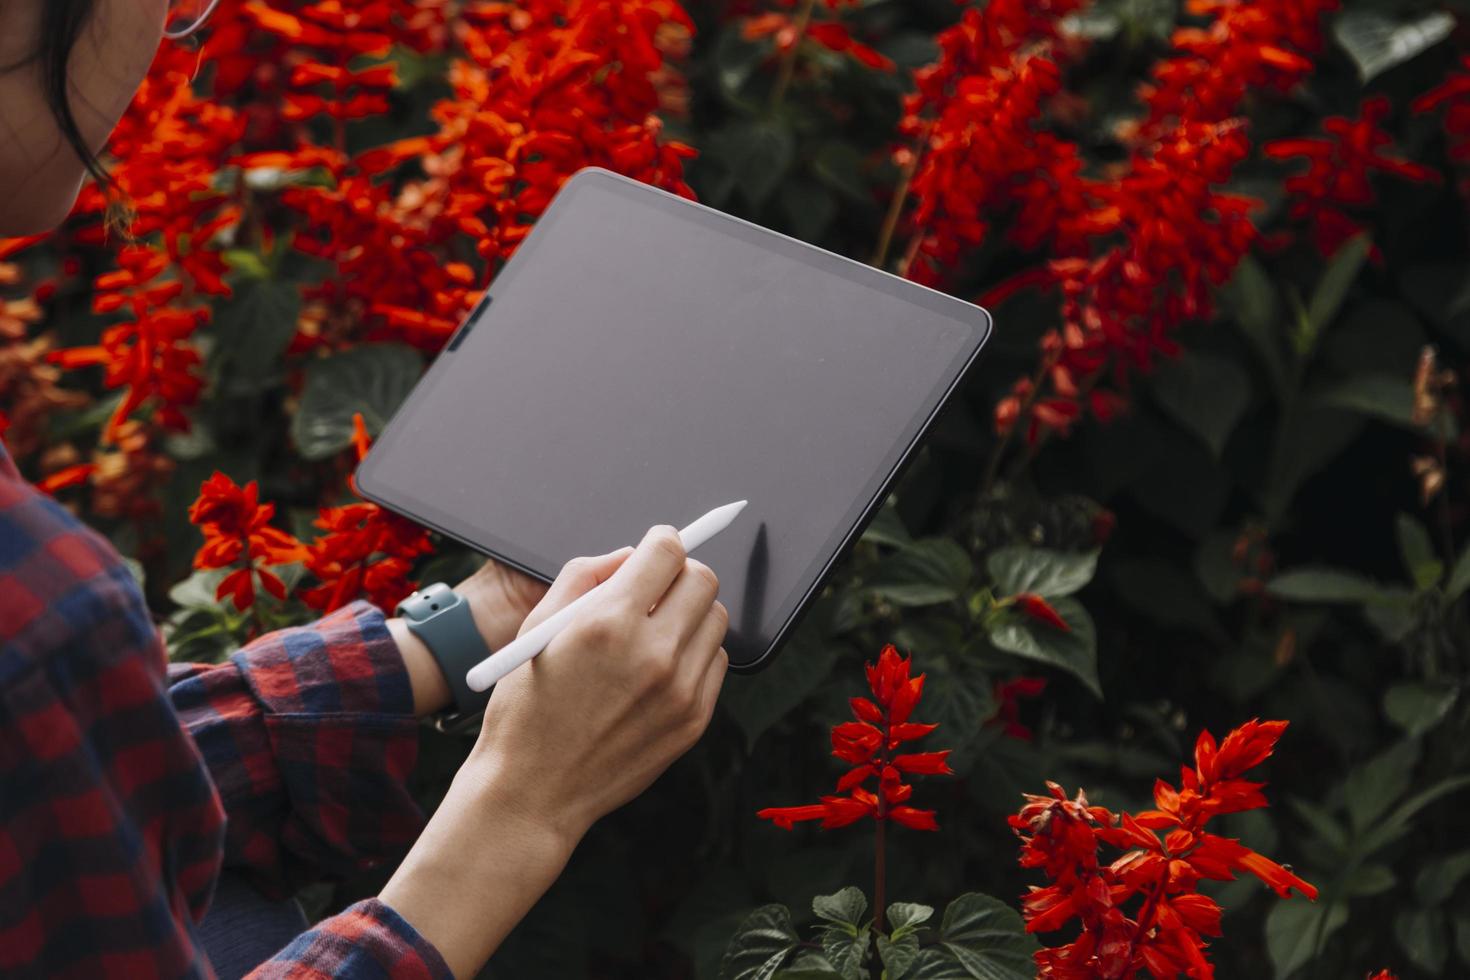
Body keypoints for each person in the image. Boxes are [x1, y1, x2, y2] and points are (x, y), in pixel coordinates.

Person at [0, 1, 730, 977]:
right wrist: (523, 802)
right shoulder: (41, 612)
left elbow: (51, 780)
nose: (175, 21)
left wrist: (464, 623)